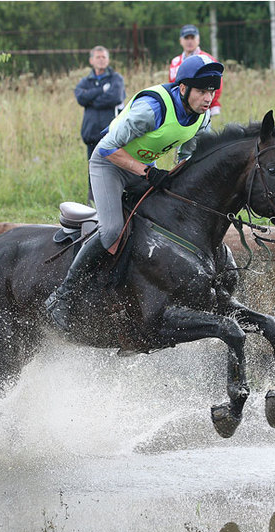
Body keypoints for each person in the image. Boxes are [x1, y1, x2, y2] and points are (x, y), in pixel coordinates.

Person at [45, 55, 224, 331]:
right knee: (113, 230)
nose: (208, 98)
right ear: (183, 88)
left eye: (212, 91)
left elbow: (189, 157)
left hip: (142, 168)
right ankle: (62, 297)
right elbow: (106, 148)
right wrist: (148, 173)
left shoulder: (201, 119)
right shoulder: (152, 109)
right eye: (202, 91)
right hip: (109, 165)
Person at [74, 45, 125, 203]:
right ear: (91, 60)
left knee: (114, 170)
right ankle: (93, 205)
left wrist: (91, 99)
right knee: (93, 171)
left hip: (111, 134)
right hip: (91, 134)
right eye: (98, 57)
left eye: (104, 57)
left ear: (108, 59)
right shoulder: (85, 80)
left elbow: (115, 97)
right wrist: (100, 91)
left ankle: (116, 202)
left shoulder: (116, 78)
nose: (101, 60)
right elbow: (80, 98)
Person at [168, 24, 222, 117]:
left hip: (201, 109)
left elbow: (216, 86)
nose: (189, 41)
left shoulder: (208, 60)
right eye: (186, 38)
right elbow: (172, 84)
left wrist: (208, 104)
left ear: (198, 40)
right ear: (181, 41)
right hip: (179, 110)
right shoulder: (175, 62)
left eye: (192, 38)